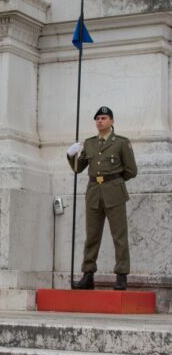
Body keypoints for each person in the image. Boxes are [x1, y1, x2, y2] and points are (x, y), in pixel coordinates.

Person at [67, 106, 137, 290]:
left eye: (104, 118)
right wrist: (70, 155)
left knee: (119, 236)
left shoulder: (121, 142)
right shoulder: (89, 144)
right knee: (92, 236)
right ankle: (88, 275)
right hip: (93, 193)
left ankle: (121, 276)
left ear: (112, 121)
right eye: (97, 118)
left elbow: (131, 171)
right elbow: (77, 168)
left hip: (114, 192)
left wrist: (115, 182)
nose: (100, 121)